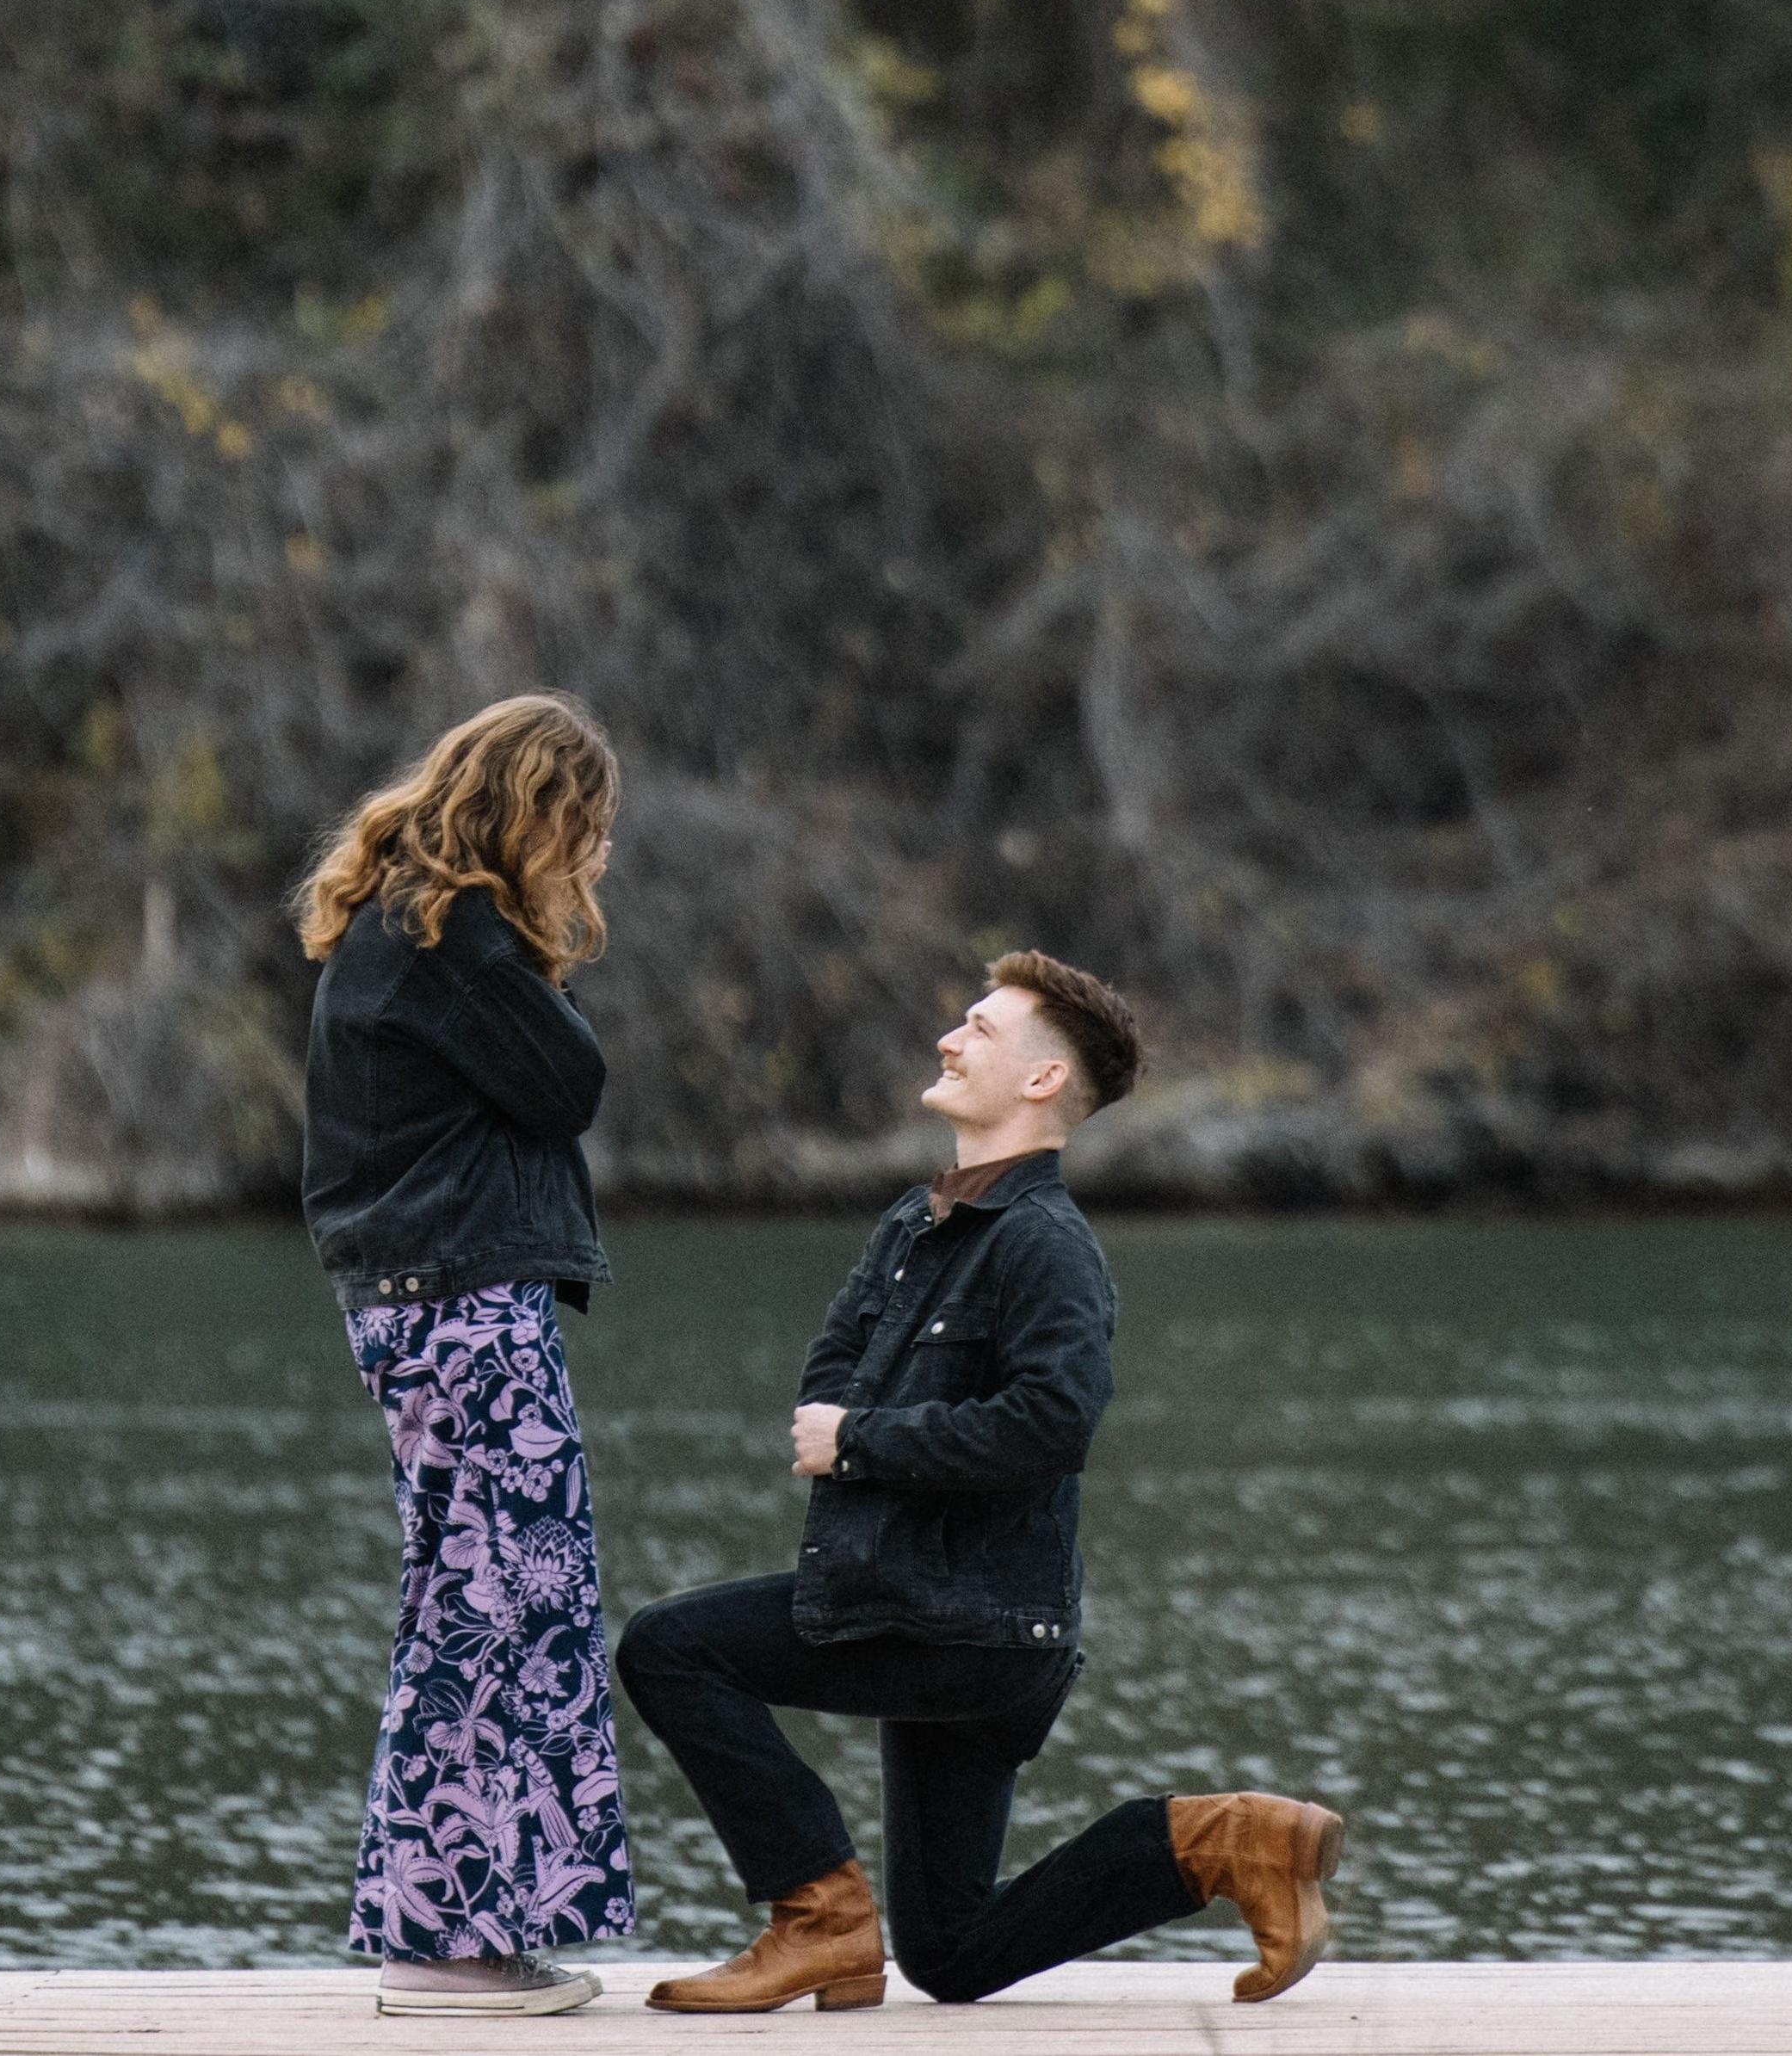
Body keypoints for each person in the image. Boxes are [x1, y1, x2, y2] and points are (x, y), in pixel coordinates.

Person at [615, 951, 1345, 2013]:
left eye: (979, 1028)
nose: (949, 1040)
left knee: (669, 1648)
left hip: (968, 1626)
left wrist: (862, 1439)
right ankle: (1230, 1840)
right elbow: (834, 1361)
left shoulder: (1046, 1246)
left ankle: (816, 1917)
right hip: (931, 1609)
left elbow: (1052, 1423)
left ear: (1043, 1080)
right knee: (951, 1953)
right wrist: (847, 1421)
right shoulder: (917, 1227)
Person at [299, 693, 637, 2016]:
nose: (592, 857)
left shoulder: (399, 919)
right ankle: (450, 1944)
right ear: (536, 812)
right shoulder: (456, 934)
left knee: (474, 1605)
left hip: (419, 1303)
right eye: (586, 828)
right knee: (502, 1610)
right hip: (465, 1308)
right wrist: (534, 943)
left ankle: (457, 1929)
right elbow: (571, 1085)